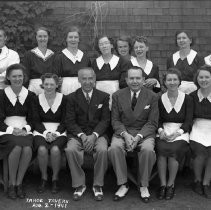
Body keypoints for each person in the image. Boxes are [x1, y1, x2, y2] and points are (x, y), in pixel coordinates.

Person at [108, 66, 158, 203]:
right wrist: (125, 134)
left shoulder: (152, 96)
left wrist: (138, 137)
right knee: (114, 148)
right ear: (126, 80)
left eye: (138, 78)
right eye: (131, 78)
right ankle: (123, 184)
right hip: (123, 131)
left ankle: (144, 184)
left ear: (143, 80)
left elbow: (152, 122)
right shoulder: (117, 95)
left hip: (144, 133)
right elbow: (115, 120)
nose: (135, 81)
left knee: (148, 150)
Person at [65, 67, 110, 201]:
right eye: (84, 78)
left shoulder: (104, 96)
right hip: (78, 134)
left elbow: (105, 120)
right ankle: (79, 185)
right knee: (70, 149)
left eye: (90, 78)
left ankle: (97, 185)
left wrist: (94, 136)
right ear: (79, 80)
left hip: (98, 134)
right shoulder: (71, 98)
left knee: (102, 149)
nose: (87, 81)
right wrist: (83, 136)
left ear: (95, 79)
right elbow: (70, 121)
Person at [156, 68, 193, 200]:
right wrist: (161, 131)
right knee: (161, 150)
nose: (172, 82)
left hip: (181, 132)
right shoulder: (160, 99)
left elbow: (188, 121)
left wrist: (178, 133)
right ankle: (162, 185)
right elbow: (157, 119)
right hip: (164, 130)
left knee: (173, 151)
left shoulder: (187, 99)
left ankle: (170, 185)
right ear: (164, 82)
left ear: (179, 81)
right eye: (169, 80)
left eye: (174, 79)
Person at [0, 63, 35, 199]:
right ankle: (11, 184)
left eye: (20, 76)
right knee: (16, 148)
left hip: (24, 130)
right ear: (8, 77)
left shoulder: (30, 95)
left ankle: (19, 183)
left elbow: (33, 118)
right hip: (5, 131)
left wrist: (25, 129)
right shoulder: (1, 95)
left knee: (27, 149)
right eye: (14, 76)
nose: (17, 79)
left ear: (24, 77)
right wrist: (11, 130)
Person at [33, 73, 67, 194]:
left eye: (52, 84)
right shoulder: (36, 99)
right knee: (41, 149)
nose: (48, 86)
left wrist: (56, 133)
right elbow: (35, 120)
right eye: (46, 84)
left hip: (60, 131)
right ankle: (44, 177)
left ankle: (55, 179)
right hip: (41, 130)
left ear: (57, 85)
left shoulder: (64, 98)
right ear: (42, 85)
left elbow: (65, 120)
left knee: (55, 150)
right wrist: (46, 133)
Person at [189, 65, 211, 198]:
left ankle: (206, 182)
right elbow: (189, 118)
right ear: (197, 79)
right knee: (200, 152)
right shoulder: (191, 96)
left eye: (207, 77)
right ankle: (197, 180)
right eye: (201, 77)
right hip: (197, 127)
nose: (204, 80)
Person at [91, 35, 129, 108]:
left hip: (117, 98)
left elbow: (124, 84)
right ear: (98, 47)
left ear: (111, 45)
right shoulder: (94, 63)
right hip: (99, 99)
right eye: (101, 44)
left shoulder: (122, 62)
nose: (104, 46)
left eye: (106, 43)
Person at [53, 26, 91, 95]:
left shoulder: (85, 57)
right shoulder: (59, 57)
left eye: (76, 37)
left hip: (83, 90)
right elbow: (55, 78)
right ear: (66, 39)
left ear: (79, 39)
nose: (73, 40)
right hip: (65, 90)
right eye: (70, 37)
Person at [167, 30, 204, 94]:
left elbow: (202, 78)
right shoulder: (171, 59)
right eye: (179, 38)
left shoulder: (198, 58)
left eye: (184, 38)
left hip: (194, 94)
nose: (181, 40)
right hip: (175, 93)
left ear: (190, 40)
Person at [23, 26, 56, 95]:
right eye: (40, 36)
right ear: (36, 37)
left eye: (45, 36)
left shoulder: (54, 55)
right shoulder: (29, 55)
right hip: (34, 89)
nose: (42, 39)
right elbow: (25, 75)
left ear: (48, 37)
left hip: (50, 88)